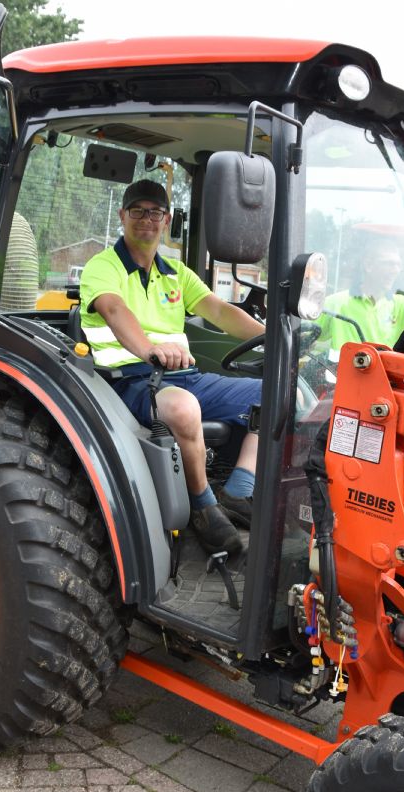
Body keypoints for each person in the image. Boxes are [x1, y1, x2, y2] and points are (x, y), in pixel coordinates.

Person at [79, 179, 265, 555]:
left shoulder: (176, 273)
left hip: (184, 377)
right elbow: (114, 309)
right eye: (138, 211)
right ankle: (203, 506)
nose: (147, 219)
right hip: (128, 382)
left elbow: (219, 310)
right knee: (182, 407)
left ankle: (240, 490)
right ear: (122, 216)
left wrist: (275, 339)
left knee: (279, 391)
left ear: (166, 220)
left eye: (155, 212)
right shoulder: (103, 266)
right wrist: (150, 350)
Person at [316, 238, 404, 356]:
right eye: (389, 264)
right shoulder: (336, 303)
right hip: (342, 374)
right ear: (368, 265)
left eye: (398, 265)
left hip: (387, 375)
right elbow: (304, 337)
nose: (395, 270)